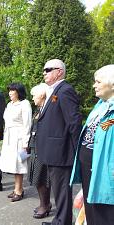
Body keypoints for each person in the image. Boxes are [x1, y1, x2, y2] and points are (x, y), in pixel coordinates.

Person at [36, 59, 82, 225]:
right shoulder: (55, 90)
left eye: (48, 69)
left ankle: (63, 222)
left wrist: (79, 151)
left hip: (61, 151)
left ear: (59, 72)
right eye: (44, 69)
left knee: (62, 190)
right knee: (58, 189)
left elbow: (74, 122)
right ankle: (60, 219)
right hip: (53, 150)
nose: (44, 72)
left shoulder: (65, 90)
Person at [70, 64, 114, 225]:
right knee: (91, 208)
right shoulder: (101, 105)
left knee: (104, 211)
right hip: (88, 165)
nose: (94, 85)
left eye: (98, 82)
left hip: (106, 171)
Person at [0, 83, 32, 201]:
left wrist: (25, 142)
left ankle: (19, 190)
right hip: (9, 137)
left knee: (19, 164)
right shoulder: (9, 104)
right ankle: (16, 188)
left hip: (19, 137)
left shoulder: (25, 104)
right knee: (12, 165)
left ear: (19, 92)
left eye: (12, 91)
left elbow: (27, 124)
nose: (10, 93)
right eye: (9, 91)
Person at [28, 83, 52, 218]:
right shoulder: (38, 109)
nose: (33, 98)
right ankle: (44, 203)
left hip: (42, 148)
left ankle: (45, 205)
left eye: (34, 95)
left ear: (42, 95)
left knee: (42, 177)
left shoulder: (47, 110)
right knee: (36, 178)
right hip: (34, 145)